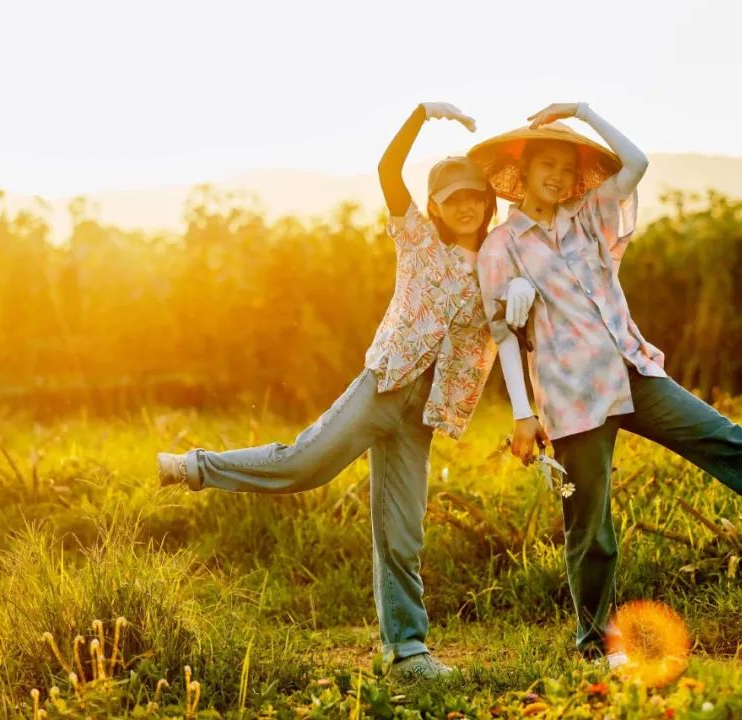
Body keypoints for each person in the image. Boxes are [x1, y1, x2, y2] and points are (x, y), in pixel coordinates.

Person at [469, 102, 742, 667]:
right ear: (522, 169)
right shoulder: (502, 248)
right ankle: (596, 648)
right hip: (572, 397)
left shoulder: (587, 216)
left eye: (568, 168)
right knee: (591, 531)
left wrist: (584, 112)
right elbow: (505, 336)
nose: (560, 177)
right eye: (548, 164)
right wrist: (522, 412)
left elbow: (635, 163)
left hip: (633, 370)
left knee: (724, 438)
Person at [156, 102, 516, 681]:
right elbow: (386, 170)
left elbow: (538, 228)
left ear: (488, 202)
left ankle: (407, 653)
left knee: (403, 534)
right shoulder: (418, 241)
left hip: (427, 410)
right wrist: (421, 115)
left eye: (475, 197)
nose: (467, 207)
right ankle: (194, 467)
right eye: (453, 199)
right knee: (305, 464)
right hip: (384, 386)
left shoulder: (501, 260)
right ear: (435, 208)